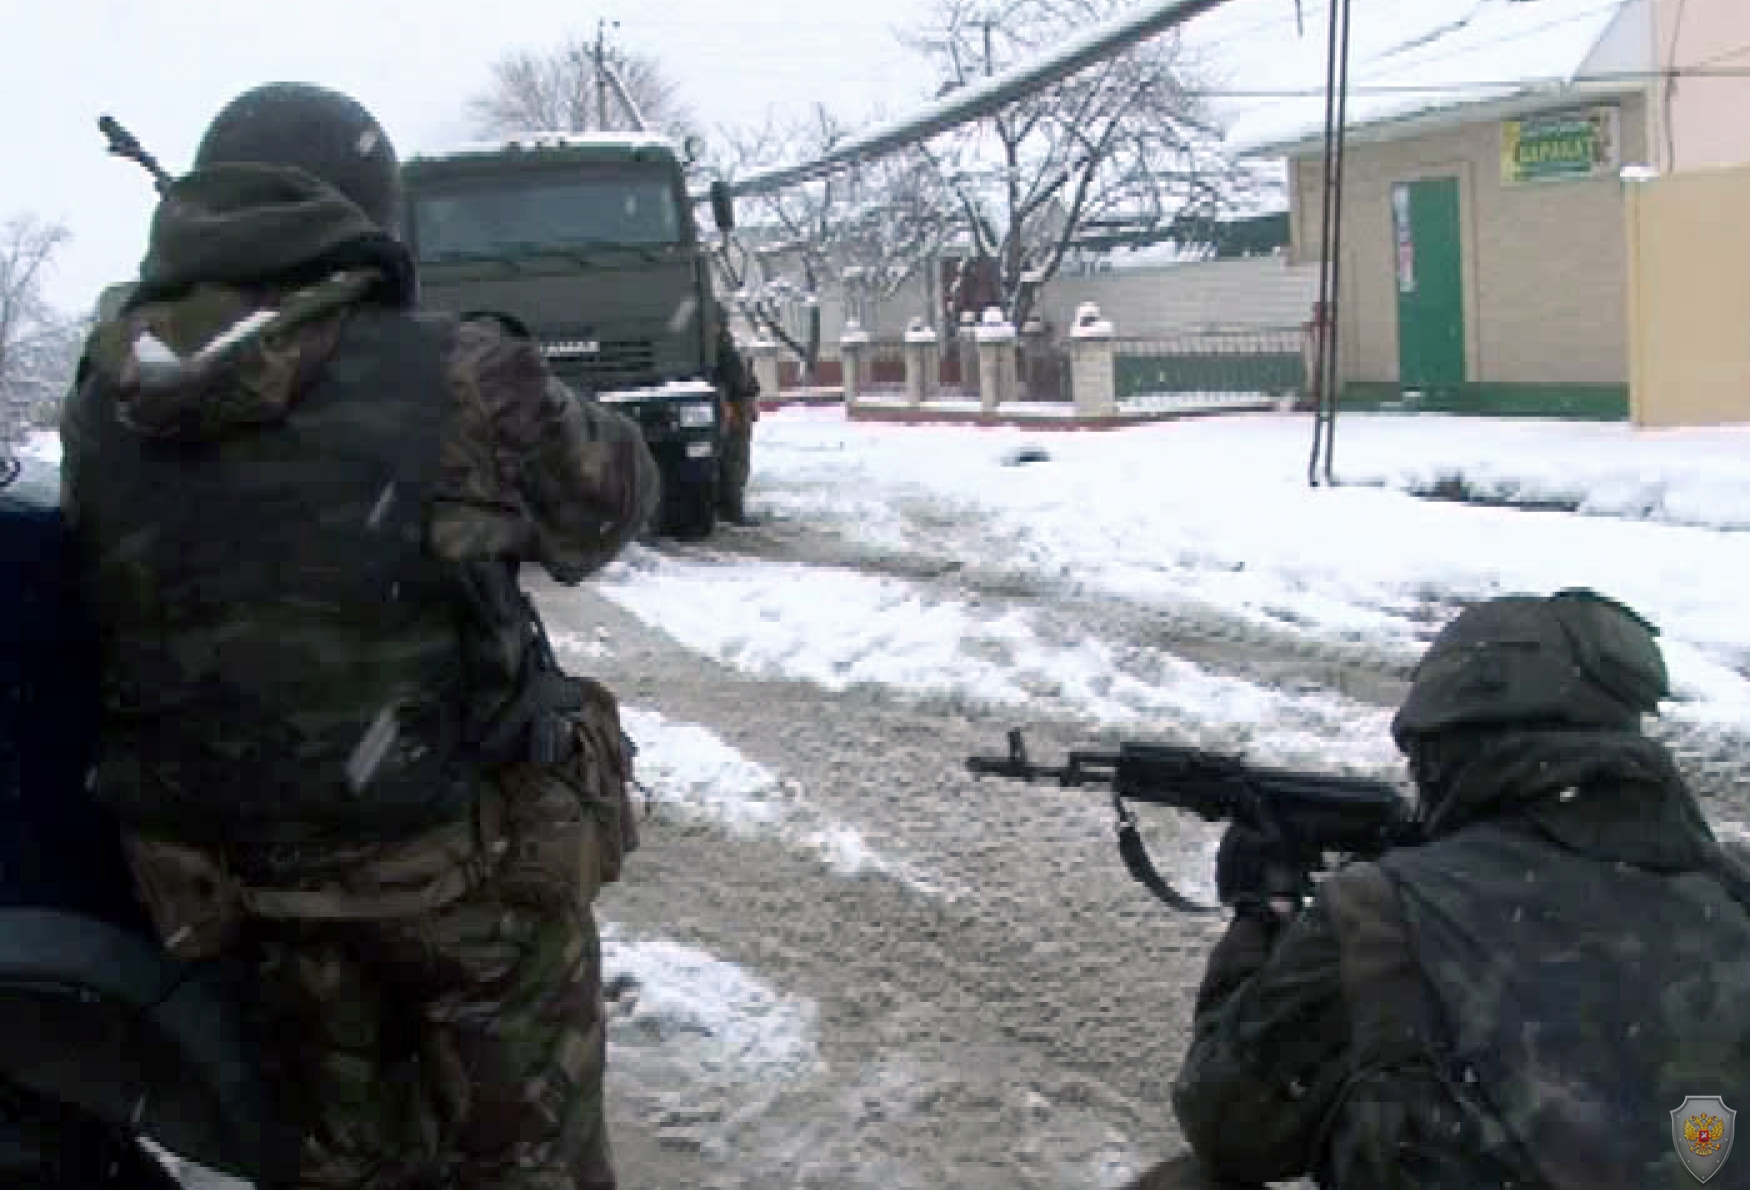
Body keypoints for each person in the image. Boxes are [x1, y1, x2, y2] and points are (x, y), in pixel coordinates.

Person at [58, 81, 660, 1190]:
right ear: (365, 215)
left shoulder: (106, 390)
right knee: (529, 1161)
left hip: (245, 896)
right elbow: (611, 504)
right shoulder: (459, 369)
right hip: (464, 886)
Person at [1164, 588, 1750, 1189]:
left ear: (1452, 742)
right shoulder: (1734, 887)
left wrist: (1262, 913)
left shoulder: (1381, 916)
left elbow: (1227, 1121)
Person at [711, 303, 759, 525]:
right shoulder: (717, 349)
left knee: (736, 462)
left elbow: (745, 380)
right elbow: (731, 381)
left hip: (738, 410)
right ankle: (732, 511)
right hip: (732, 412)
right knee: (734, 463)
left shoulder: (724, 346)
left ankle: (728, 508)